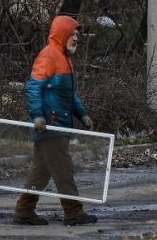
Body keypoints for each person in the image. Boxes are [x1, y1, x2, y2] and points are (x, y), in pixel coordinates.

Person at [13, 14, 98, 226]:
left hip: (57, 125)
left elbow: (69, 95)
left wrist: (82, 114)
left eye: (77, 35)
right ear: (62, 34)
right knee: (63, 170)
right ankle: (74, 212)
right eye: (72, 34)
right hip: (51, 126)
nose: (76, 38)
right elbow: (33, 87)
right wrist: (38, 116)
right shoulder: (49, 55)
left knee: (40, 174)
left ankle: (24, 210)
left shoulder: (64, 58)